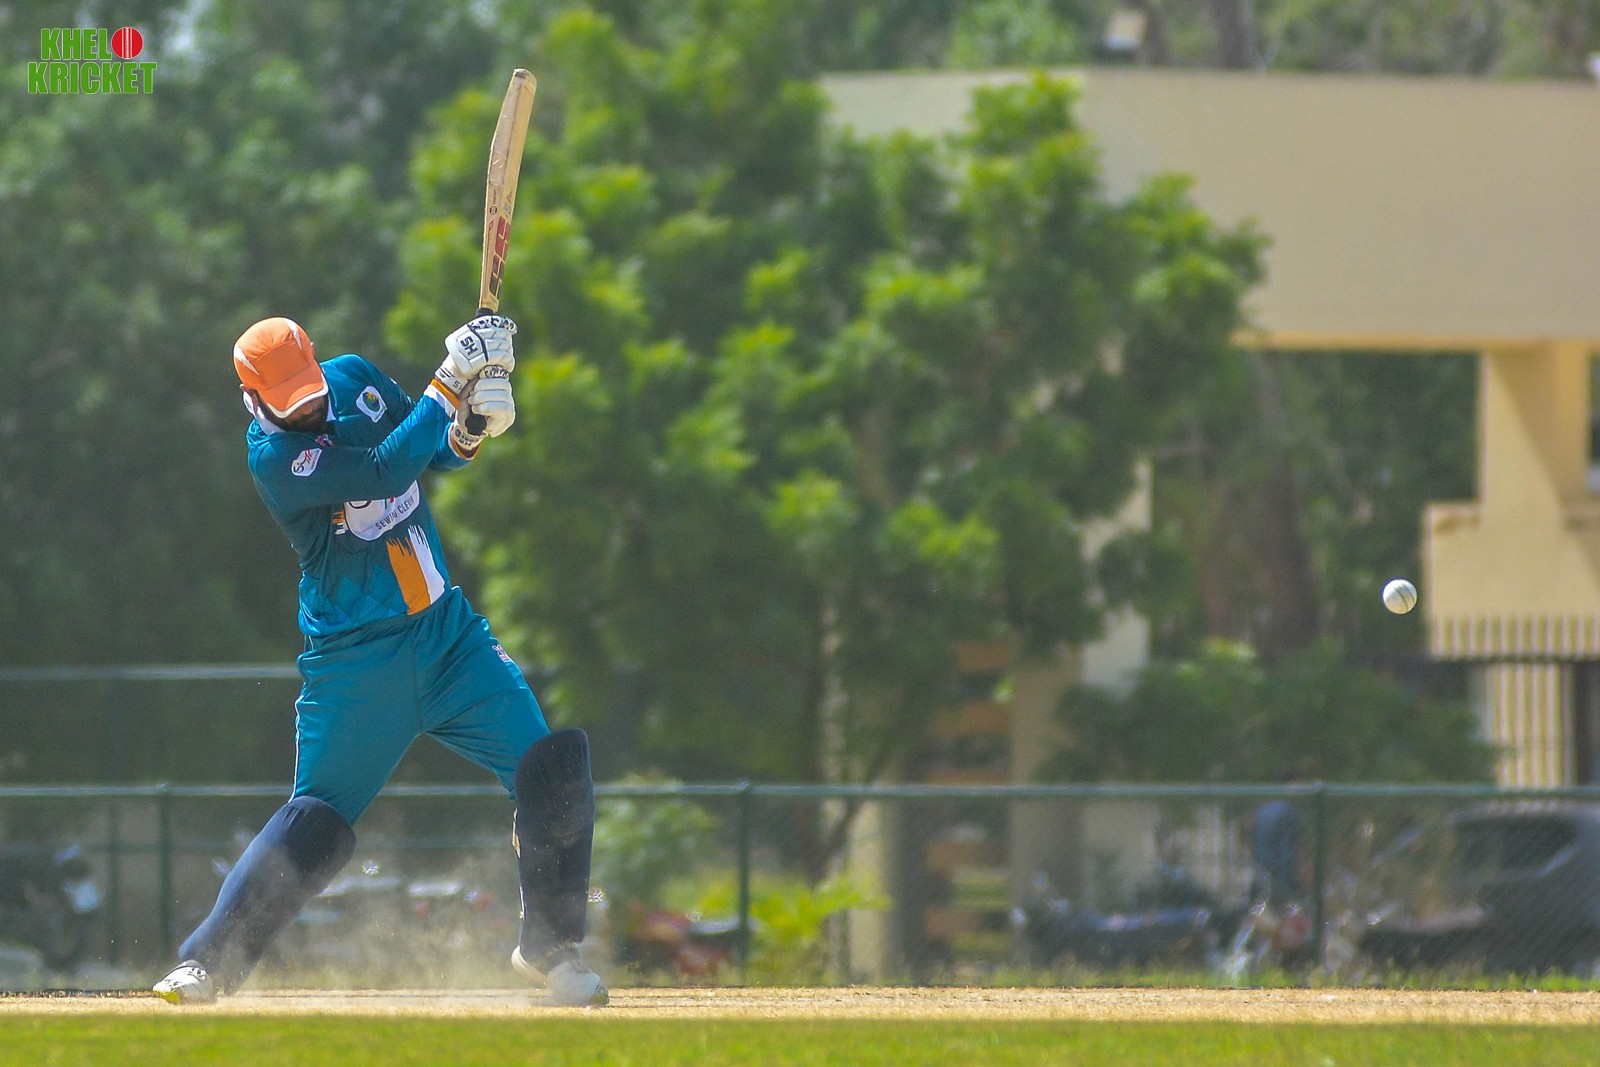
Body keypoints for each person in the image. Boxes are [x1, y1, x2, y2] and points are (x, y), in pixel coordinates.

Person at [153, 315, 607, 1007]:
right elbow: (382, 469)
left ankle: (551, 948)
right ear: (253, 400)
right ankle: (207, 965)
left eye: (309, 391)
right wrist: (450, 379)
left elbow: (431, 456)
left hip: (449, 637)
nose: (306, 408)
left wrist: (469, 428)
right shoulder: (274, 459)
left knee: (551, 768)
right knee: (315, 821)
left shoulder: (354, 379)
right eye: (288, 402)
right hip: (356, 667)